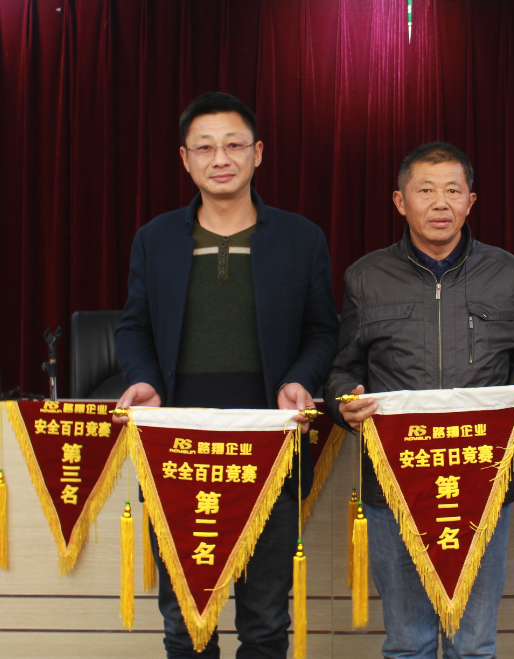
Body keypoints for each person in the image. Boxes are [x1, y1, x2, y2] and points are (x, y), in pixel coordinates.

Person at [114, 92, 339, 659]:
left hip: (270, 446)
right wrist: (144, 380)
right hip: (177, 450)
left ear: (257, 153)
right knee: (187, 621)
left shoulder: (301, 238)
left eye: (234, 145)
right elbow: (134, 325)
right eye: (205, 147)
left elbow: (322, 331)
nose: (221, 158)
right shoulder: (156, 238)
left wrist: (299, 379)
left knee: (265, 620)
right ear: (185, 159)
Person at [324, 142, 514, 659]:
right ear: (399, 201)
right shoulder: (365, 277)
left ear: (470, 201)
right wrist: (343, 401)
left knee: (472, 644)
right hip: (394, 487)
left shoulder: (508, 273)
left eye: (453, 190)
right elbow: (344, 369)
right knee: (409, 643)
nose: (440, 202)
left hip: (482, 482)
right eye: (425, 190)